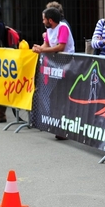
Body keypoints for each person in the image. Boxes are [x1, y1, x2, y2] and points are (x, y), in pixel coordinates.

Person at [32, 7, 75, 140]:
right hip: (55, 65)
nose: (43, 21)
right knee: (53, 96)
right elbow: (46, 44)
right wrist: (39, 48)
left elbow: (61, 46)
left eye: (44, 18)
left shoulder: (62, 27)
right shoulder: (49, 29)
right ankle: (55, 125)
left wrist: (44, 50)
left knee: (62, 96)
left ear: (50, 20)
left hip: (66, 65)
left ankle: (64, 128)